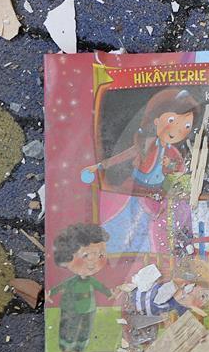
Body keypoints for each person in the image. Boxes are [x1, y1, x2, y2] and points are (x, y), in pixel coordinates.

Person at [83, 88, 202, 252]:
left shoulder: (174, 154)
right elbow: (124, 156)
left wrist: (171, 168)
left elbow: (179, 174)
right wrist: (100, 165)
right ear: (156, 120)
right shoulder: (146, 144)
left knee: (154, 232)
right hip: (136, 192)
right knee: (122, 225)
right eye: (172, 120)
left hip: (157, 197)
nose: (178, 130)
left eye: (186, 126)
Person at [48, 223, 113, 352]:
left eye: (100, 255)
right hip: (71, 310)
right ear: (67, 257)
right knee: (68, 332)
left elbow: (101, 287)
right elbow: (58, 288)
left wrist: (111, 294)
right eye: (86, 255)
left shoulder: (91, 281)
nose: (93, 262)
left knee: (85, 332)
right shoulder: (71, 282)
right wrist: (49, 294)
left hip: (89, 310)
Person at [122, 257, 209, 349]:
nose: (201, 299)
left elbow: (176, 324)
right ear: (194, 285)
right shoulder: (175, 285)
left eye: (203, 301)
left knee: (146, 333)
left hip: (143, 313)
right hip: (137, 298)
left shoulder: (181, 308)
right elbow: (160, 288)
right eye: (203, 295)